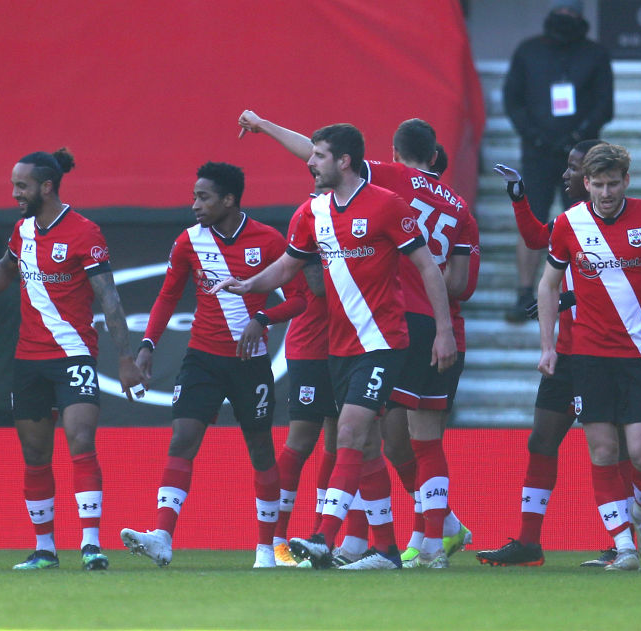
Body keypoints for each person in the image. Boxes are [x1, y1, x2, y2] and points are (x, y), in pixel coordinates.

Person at [214, 123, 457, 570]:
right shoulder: (311, 213)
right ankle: (385, 550)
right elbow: (288, 266)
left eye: (320, 156)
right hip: (339, 347)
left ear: (344, 161)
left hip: (383, 342)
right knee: (364, 448)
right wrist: (249, 283)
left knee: (348, 433)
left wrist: (444, 331)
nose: (311, 162)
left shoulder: (388, 205)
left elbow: (427, 267)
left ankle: (324, 535)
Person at [119, 162, 305, 569]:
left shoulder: (269, 240)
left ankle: (264, 550)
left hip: (250, 364)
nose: (195, 205)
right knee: (183, 439)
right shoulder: (188, 242)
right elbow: (168, 296)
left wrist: (262, 320)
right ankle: (162, 538)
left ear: (229, 199)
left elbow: (298, 298)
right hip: (201, 358)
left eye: (203, 197)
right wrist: (148, 344)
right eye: (194, 196)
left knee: (260, 449)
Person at [0, 148, 144, 571]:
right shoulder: (22, 231)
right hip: (28, 359)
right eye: (14, 185)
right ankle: (45, 548)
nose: (15, 193)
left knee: (81, 441)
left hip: (74, 355)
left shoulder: (85, 232)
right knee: (35, 456)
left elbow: (110, 298)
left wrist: (125, 357)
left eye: (21, 186)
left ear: (46, 187)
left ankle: (90, 544)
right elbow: (6, 270)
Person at [476, 139, 635, 568]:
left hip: (605, 355)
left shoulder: (626, 226)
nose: (565, 175)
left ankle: (628, 538)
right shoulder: (569, 223)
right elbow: (537, 240)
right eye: (568, 168)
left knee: (617, 450)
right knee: (542, 440)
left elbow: (617, 294)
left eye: (573, 168)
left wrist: (567, 301)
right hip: (566, 354)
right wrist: (519, 198)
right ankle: (529, 541)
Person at [535, 143, 641, 571]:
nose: (605, 192)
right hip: (587, 356)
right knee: (602, 451)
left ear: (626, 181)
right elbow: (547, 285)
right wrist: (548, 345)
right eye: (598, 184)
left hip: (638, 355)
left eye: (613, 184)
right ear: (586, 184)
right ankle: (623, 546)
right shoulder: (569, 224)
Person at [502, 0, 613, 321]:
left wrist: (577, 135)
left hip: (581, 157)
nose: (565, 18)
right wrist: (534, 134)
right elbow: (513, 99)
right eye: (561, 12)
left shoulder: (595, 54)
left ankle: (583, 290)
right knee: (532, 221)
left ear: (581, 17)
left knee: (583, 222)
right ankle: (525, 293)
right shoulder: (528, 51)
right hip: (537, 152)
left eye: (572, 13)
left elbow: (605, 104)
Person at [272, 197, 339, 567]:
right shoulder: (310, 225)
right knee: (300, 441)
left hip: (349, 348)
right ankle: (277, 541)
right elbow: (318, 286)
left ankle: (318, 538)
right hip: (312, 348)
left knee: (339, 443)